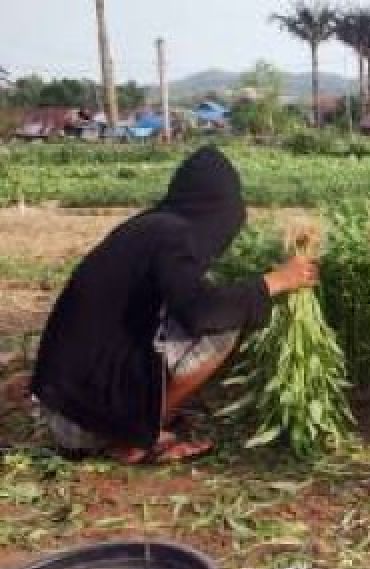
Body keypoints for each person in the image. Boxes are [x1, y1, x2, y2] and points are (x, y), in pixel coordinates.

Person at [31, 146, 318, 463]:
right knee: (222, 327)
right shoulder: (173, 237)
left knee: (218, 307)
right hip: (84, 421)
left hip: (63, 407)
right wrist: (272, 283)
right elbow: (202, 312)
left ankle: (137, 420)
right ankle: (139, 437)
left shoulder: (150, 227)